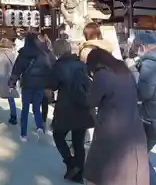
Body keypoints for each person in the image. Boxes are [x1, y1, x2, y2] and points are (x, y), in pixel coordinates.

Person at [81, 47, 149, 185]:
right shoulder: (123, 71)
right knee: (130, 167)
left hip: (111, 127)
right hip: (133, 124)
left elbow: (91, 101)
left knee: (105, 169)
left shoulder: (102, 75)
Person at [49, 39, 95, 183]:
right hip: (83, 108)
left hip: (66, 108)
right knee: (78, 141)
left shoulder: (59, 66)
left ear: (57, 51)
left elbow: (53, 86)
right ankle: (79, 174)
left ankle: (70, 163)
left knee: (58, 135)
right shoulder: (82, 64)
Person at [9, 33, 51, 141]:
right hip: (40, 84)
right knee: (37, 107)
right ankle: (39, 127)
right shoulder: (43, 53)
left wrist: (12, 83)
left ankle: (23, 134)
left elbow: (17, 69)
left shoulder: (23, 53)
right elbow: (48, 68)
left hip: (27, 83)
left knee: (25, 108)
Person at [131, 31, 156, 185]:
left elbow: (144, 93)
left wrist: (133, 71)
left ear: (142, 46)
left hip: (150, 117)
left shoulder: (149, 64)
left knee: (139, 156)